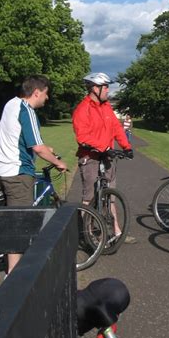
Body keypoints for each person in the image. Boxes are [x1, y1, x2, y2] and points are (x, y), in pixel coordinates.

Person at [0, 75, 68, 273]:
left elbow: (17, 138)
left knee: (7, 216)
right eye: (46, 94)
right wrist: (58, 162)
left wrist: (45, 147)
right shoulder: (28, 111)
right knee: (19, 226)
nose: (47, 98)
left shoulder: (11, 104)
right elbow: (37, 148)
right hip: (16, 175)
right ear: (36, 93)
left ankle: (3, 253)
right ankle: (13, 276)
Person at [72, 72, 136, 244]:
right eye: (105, 86)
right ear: (95, 88)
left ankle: (116, 232)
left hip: (107, 157)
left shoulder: (106, 107)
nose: (108, 90)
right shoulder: (82, 109)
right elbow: (83, 137)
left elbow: (116, 128)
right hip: (91, 157)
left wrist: (126, 147)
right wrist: (105, 148)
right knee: (89, 198)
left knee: (110, 196)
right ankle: (87, 234)